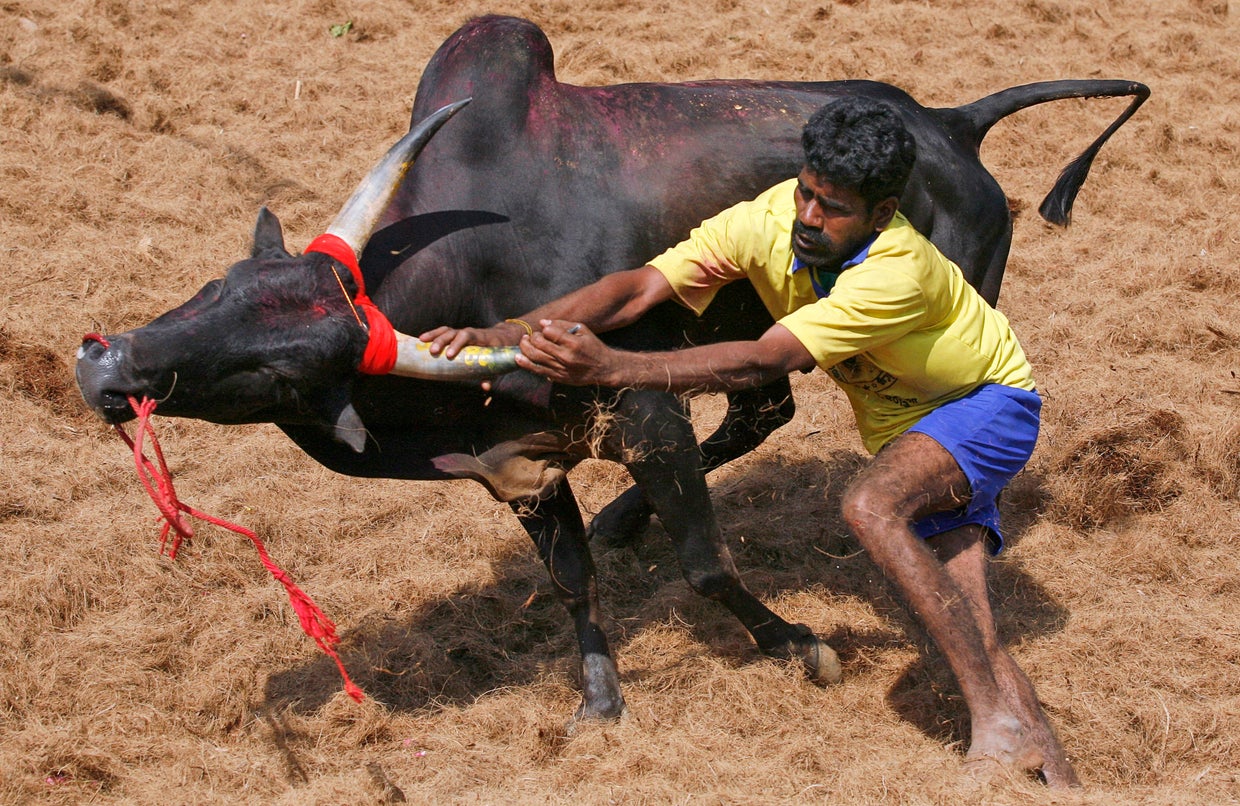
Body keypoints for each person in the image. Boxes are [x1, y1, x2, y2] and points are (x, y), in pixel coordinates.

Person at [421, 96, 1078, 787]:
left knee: (870, 507)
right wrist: (512, 331)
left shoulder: (898, 270)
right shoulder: (769, 217)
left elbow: (766, 360)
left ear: (882, 215)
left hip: (986, 407)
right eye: (806, 193)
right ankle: (1059, 780)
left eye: (834, 208)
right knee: (972, 627)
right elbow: (640, 287)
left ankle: (994, 728)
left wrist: (614, 368)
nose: (809, 217)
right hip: (911, 428)